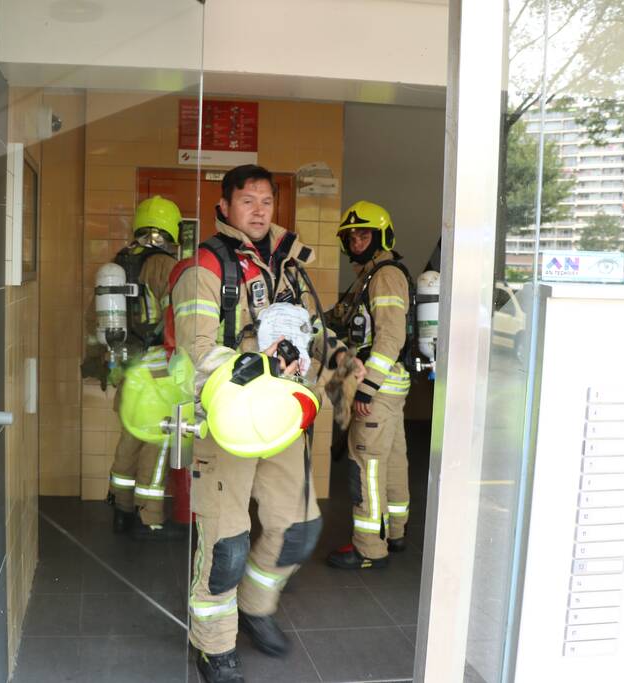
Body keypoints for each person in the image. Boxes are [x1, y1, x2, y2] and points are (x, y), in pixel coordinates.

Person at [168, 165, 356, 683]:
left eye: (266, 201)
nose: (258, 210)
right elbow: (198, 352)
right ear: (224, 207)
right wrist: (263, 364)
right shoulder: (204, 268)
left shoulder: (289, 267)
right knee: (227, 544)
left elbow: (310, 329)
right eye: (246, 200)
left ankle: (255, 607)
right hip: (226, 420)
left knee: (297, 529)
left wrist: (339, 359)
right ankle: (214, 643)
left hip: (281, 419)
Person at [92, 196, 186, 540]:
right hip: (157, 365)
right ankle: (152, 517)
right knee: (158, 439)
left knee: (130, 436)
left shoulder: (118, 263)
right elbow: (175, 317)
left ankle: (122, 509)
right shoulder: (163, 265)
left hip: (124, 364)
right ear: (170, 228)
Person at [325, 201, 412, 570]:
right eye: (352, 235)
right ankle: (395, 532)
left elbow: (390, 337)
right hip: (391, 388)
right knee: (392, 461)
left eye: (364, 234)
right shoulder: (370, 275)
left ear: (381, 236)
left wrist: (366, 388)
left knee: (366, 466)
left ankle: (367, 548)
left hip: (377, 387)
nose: (357, 241)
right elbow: (342, 317)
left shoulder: (385, 276)